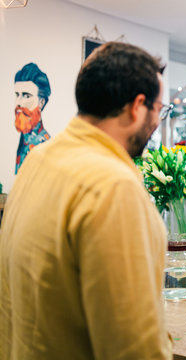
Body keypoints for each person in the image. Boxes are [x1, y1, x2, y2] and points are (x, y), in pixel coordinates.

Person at [0, 42, 173, 359]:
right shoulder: (112, 186)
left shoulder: (36, 162)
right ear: (137, 106)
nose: (157, 122)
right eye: (159, 109)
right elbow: (132, 345)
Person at [14, 63, 51, 174]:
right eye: (17, 95)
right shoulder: (25, 138)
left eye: (26, 95)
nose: (19, 103)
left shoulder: (45, 147)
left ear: (41, 102)